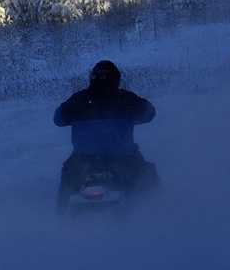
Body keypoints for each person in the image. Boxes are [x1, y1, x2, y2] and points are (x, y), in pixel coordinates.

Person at [54, 60, 159, 213]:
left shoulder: (78, 100)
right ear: (116, 79)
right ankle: (159, 214)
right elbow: (150, 113)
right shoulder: (126, 99)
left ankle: (61, 218)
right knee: (148, 173)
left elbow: (58, 119)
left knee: (68, 176)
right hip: (123, 160)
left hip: (83, 160)